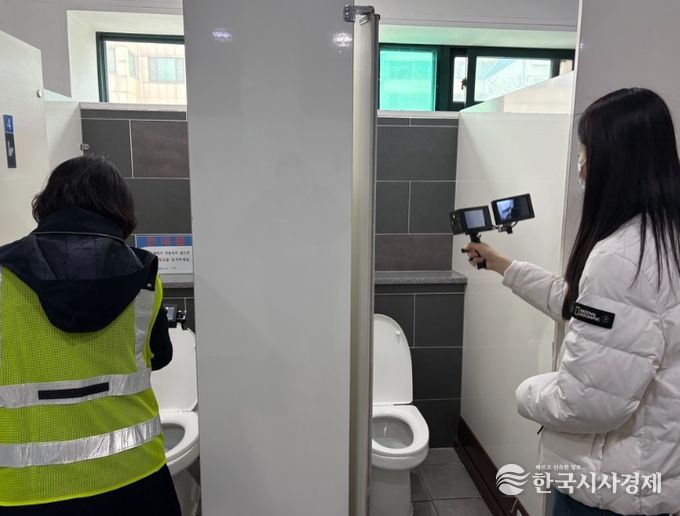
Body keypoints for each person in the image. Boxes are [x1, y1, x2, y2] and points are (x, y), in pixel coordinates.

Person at [464, 88, 680, 516]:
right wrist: (502, 264)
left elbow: (586, 403)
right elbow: (588, 308)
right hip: (649, 479)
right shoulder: (662, 241)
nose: (580, 164)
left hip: (606, 490)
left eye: (585, 151)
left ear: (615, 161)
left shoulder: (623, 257)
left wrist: (526, 393)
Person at [0, 155, 181, 515]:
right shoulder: (145, 280)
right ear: (120, 208)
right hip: (136, 476)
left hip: (27, 490)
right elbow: (160, 357)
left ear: (47, 202)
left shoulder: (4, 277)